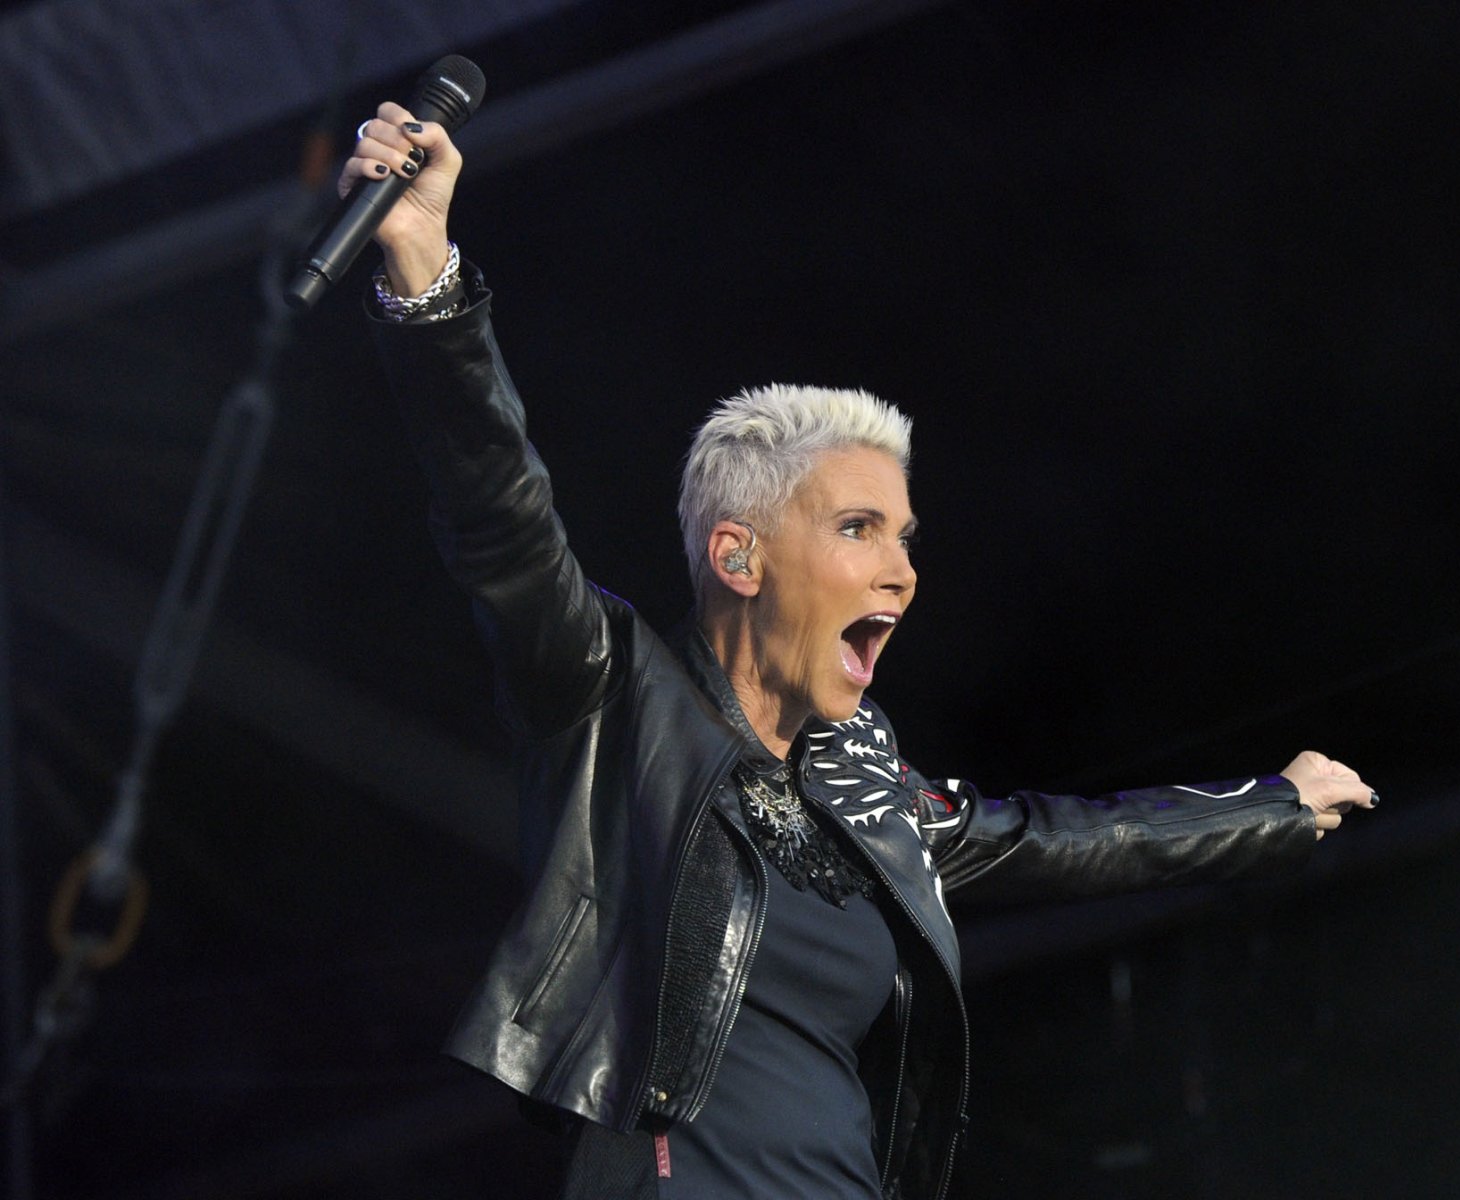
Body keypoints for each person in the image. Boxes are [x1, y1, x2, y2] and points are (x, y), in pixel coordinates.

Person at [343, 101, 1376, 1200]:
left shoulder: (865, 791)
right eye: (857, 529)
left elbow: (1051, 839)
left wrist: (1266, 806)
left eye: (904, 537)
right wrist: (424, 269)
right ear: (739, 559)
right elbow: (500, 514)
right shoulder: (614, 694)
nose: (902, 570)